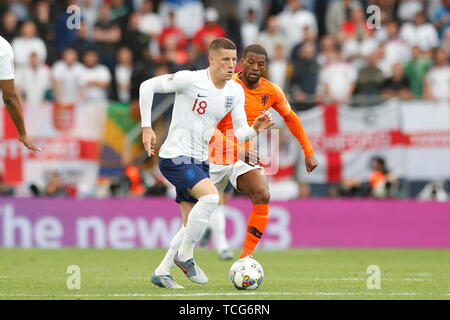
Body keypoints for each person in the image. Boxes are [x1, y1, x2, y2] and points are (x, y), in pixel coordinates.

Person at [140, 38, 274, 289]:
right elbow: (147, 86)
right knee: (211, 198)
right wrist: (146, 127)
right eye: (225, 59)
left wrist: (255, 129)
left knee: (189, 224)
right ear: (211, 59)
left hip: (201, 160)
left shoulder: (234, 91)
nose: (231, 64)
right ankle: (185, 257)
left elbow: (241, 131)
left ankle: (161, 272)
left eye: (234, 59)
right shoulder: (190, 80)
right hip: (175, 157)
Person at [205, 44, 318, 260]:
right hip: (214, 153)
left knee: (262, 194)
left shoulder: (271, 91)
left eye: (261, 64)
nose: (255, 67)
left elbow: (291, 117)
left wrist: (308, 150)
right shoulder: (226, 86)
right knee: (202, 209)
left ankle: (245, 258)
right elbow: (206, 124)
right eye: (251, 62)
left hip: (243, 156)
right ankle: (178, 257)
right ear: (242, 62)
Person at [0, 35, 41, 153]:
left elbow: (9, 97)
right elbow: (9, 97)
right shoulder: (3, 48)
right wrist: (22, 133)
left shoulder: (3, 48)